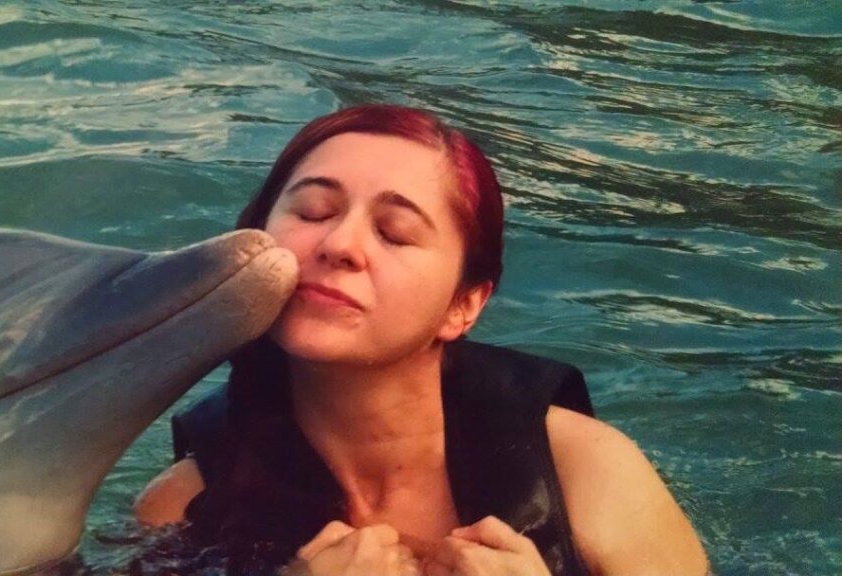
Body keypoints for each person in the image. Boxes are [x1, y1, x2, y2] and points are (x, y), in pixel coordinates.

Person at [134, 104, 708, 575]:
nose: (340, 244)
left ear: (463, 305)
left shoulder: (586, 472)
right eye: (312, 211)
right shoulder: (182, 509)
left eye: (394, 234)